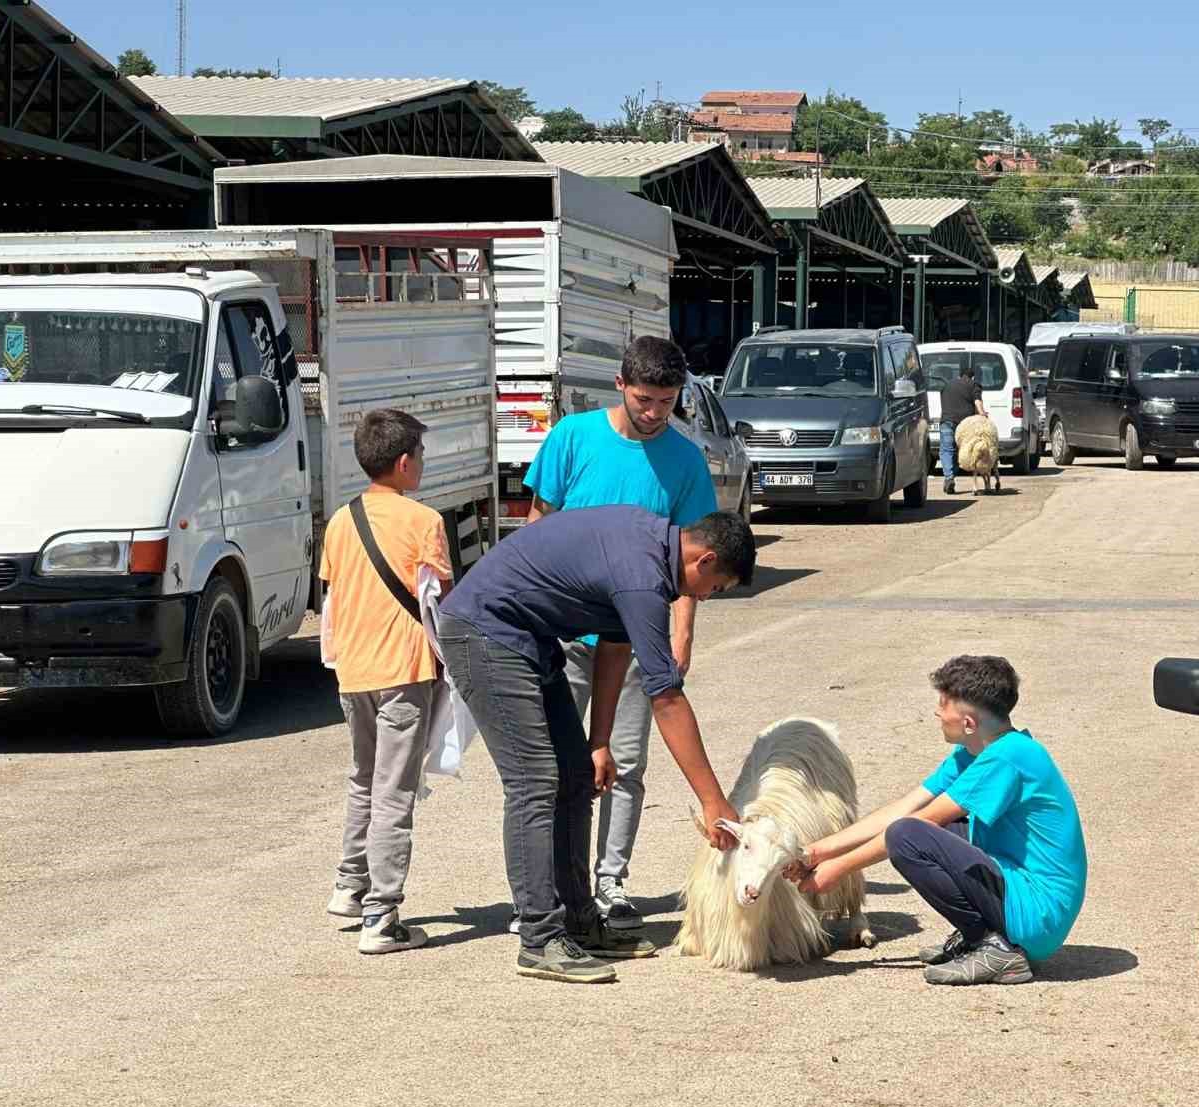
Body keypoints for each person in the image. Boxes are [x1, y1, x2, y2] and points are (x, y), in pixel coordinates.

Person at [437, 506, 755, 983]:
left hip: (528, 635)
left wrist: (598, 741)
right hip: (485, 632)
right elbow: (666, 697)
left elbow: (614, 646)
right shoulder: (642, 578)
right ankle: (541, 938)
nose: (707, 598)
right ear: (704, 560)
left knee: (576, 775)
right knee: (534, 781)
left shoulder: (651, 553)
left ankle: (579, 923)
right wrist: (713, 802)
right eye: (717, 588)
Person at [524, 335, 716, 932]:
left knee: (626, 763)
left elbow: (693, 557)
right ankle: (555, 886)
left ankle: (611, 884)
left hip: (636, 635)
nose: (656, 412)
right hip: (563, 636)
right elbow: (537, 529)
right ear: (619, 385)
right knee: (553, 766)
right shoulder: (572, 438)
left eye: (667, 400)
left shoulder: (686, 460)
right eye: (645, 399)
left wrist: (681, 635)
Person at [786, 655, 1087, 986]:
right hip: (1022, 893)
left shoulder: (1008, 757)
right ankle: (984, 937)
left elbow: (915, 826)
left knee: (908, 836)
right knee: (926, 830)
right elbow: (904, 807)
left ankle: (995, 948)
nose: (936, 712)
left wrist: (836, 871)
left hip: (1038, 914)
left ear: (969, 723)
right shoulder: (978, 750)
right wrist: (816, 852)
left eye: (943, 705)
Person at [319, 408, 454, 954]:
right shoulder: (424, 522)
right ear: (403, 463)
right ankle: (382, 914)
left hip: (353, 670)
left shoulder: (339, 519)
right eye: (420, 457)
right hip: (404, 669)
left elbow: (330, 600)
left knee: (364, 778)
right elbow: (436, 601)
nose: (422, 465)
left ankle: (350, 887)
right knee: (395, 790)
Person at [937, 365, 985, 495]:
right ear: (973, 377)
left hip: (947, 421)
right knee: (963, 451)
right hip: (964, 425)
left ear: (959, 375)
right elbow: (977, 401)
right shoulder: (974, 385)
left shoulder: (947, 385)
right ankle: (954, 474)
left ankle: (949, 477)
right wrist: (982, 414)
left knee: (947, 450)